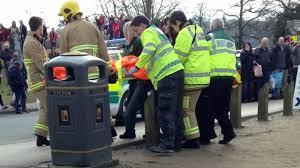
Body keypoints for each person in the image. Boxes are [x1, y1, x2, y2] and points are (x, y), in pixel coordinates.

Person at [58, 0, 117, 138]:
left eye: (64, 16)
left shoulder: (66, 31)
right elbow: (103, 52)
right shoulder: (93, 27)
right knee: (100, 102)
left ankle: (87, 134)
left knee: (82, 106)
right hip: (97, 75)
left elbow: (63, 57)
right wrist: (109, 70)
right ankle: (109, 129)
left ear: (69, 14)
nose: (64, 19)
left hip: (78, 78)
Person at [129, 16, 184, 153]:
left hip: (166, 75)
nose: (136, 34)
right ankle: (176, 143)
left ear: (142, 26)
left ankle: (166, 145)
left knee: (165, 111)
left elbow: (149, 50)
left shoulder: (147, 33)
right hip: (177, 72)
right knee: (175, 111)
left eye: (136, 30)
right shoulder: (157, 32)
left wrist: (136, 67)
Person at [169, 11, 210, 149]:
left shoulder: (184, 33)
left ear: (177, 23)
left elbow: (178, 58)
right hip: (202, 77)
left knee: (187, 110)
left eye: (173, 27)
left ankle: (192, 139)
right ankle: (194, 137)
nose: (173, 30)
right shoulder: (198, 29)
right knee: (191, 109)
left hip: (191, 80)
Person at [197, 18, 237, 145]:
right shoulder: (231, 39)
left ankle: (221, 132)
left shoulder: (209, 37)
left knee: (211, 107)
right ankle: (227, 132)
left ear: (212, 26)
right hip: (229, 76)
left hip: (215, 76)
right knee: (223, 106)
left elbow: (202, 54)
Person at [119, 21, 152, 138]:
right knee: (138, 106)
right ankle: (132, 131)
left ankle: (147, 132)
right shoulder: (129, 44)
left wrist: (133, 70)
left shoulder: (138, 42)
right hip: (133, 80)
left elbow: (142, 59)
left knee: (132, 107)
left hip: (140, 80)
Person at [23, 16, 50, 146]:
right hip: (39, 81)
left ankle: (41, 136)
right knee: (50, 107)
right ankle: (45, 137)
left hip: (39, 81)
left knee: (45, 108)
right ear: (39, 27)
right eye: (42, 26)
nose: (43, 29)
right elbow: (42, 64)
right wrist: (53, 73)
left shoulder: (33, 40)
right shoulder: (31, 42)